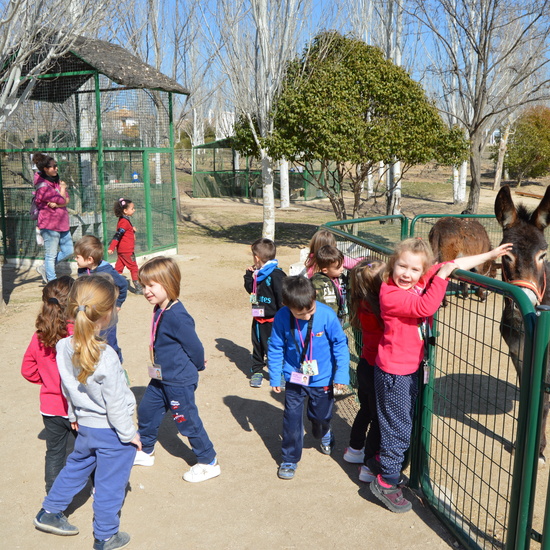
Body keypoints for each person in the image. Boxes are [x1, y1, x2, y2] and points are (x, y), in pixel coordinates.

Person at [370, 237, 512, 513]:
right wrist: (443, 278)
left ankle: (386, 463)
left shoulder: (416, 283)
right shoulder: (392, 293)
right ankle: (386, 481)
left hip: (408, 370)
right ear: (393, 265)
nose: (407, 274)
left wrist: (492, 253)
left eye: (414, 270)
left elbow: (453, 263)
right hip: (394, 374)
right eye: (402, 266)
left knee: (400, 422)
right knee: (398, 427)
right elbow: (425, 308)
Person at [33, 275, 141, 550]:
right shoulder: (106, 356)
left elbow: (67, 388)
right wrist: (130, 435)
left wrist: (73, 416)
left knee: (75, 468)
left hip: (85, 427)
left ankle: (49, 512)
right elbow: (115, 404)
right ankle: (106, 535)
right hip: (112, 433)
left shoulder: (62, 347)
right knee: (109, 485)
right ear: (106, 316)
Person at [133, 256, 220, 483]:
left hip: (179, 380)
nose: (146, 291)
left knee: (186, 421)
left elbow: (195, 346)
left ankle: (208, 461)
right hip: (162, 376)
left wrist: (199, 364)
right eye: (143, 286)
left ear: (169, 282)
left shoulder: (178, 316)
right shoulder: (160, 308)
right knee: (146, 411)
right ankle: (146, 450)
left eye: (151, 285)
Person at [268, 276, 350, 480]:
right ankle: (289, 458)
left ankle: (324, 431)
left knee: (320, 415)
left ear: (314, 298)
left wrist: (341, 374)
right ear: (287, 306)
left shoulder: (327, 315)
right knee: (292, 419)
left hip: (321, 378)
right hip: (294, 376)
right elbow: (276, 347)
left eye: (310, 311)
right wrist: (276, 376)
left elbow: (340, 344)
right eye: (299, 313)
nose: (305, 316)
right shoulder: (281, 317)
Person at [21, 276, 76, 494]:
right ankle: (98, 488)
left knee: (54, 453)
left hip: (50, 408)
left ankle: (52, 493)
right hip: (77, 408)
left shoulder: (39, 336)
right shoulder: (76, 334)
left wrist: (46, 381)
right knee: (88, 449)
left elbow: (27, 370)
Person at [342, 260, 386, 485]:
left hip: (365, 366)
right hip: (380, 368)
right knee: (379, 419)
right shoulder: (382, 308)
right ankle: (369, 465)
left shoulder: (360, 303)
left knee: (366, 410)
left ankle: (354, 448)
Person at [74, 235, 128, 363]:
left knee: (109, 342)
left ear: (89, 259)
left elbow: (123, 284)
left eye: (77, 257)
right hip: (90, 314)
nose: (75, 259)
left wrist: (118, 303)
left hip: (106, 315)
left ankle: (116, 364)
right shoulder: (82, 271)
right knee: (91, 340)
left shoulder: (107, 271)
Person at [243, 237, 286, 388]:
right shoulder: (257, 274)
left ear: (257, 257)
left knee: (275, 347)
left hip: (274, 320)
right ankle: (257, 371)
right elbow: (251, 290)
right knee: (257, 345)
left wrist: (283, 320)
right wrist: (249, 275)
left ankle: (279, 372)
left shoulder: (277, 275)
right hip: (258, 318)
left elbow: (282, 299)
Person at [32, 153, 73, 283]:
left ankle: (45, 268)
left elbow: (66, 200)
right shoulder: (43, 186)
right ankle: (52, 281)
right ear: (45, 168)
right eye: (53, 166)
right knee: (51, 255)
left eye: (56, 166)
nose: (56, 168)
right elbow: (62, 198)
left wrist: (59, 202)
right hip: (49, 225)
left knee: (69, 251)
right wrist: (62, 189)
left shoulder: (55, 181)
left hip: (62, 223)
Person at [108, 197, 143, 295]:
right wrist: (111, 247)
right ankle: (138, 288)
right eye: (132, 209)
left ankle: (112, 285)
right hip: (127, 250)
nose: (134, 210)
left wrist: (132, 229)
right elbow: (118, 235)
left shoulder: (123, 220)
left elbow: (125, 231)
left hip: (122, 251)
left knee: (118, 268)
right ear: (125, 211)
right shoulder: (124, 222)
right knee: (134, 268)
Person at [310, 245, 348, 322]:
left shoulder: (342, 278)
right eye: (338, 267)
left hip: (339, 317)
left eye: (342, 265)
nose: (342, 269)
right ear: (325, 270)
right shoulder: (317, 284)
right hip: (324, 319)